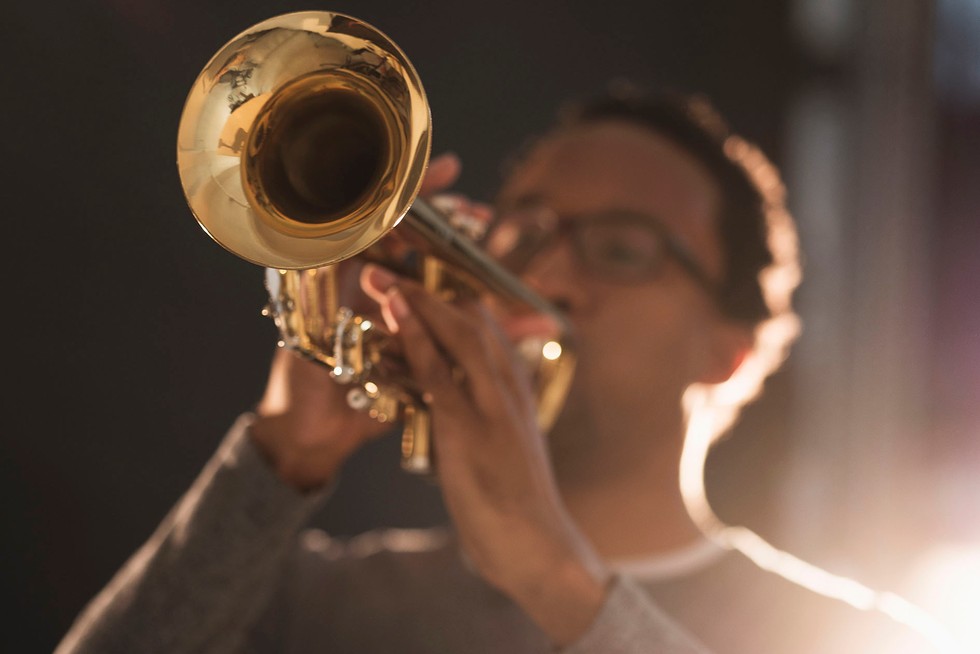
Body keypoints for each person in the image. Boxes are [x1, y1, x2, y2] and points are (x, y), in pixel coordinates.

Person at [55, 85, 948, 654]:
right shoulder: (320, 605)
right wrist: (282, 453)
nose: (548, 277)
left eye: (623, 250)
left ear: (732, 348)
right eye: (524, 233)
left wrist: (559, 584)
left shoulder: (858, 637)